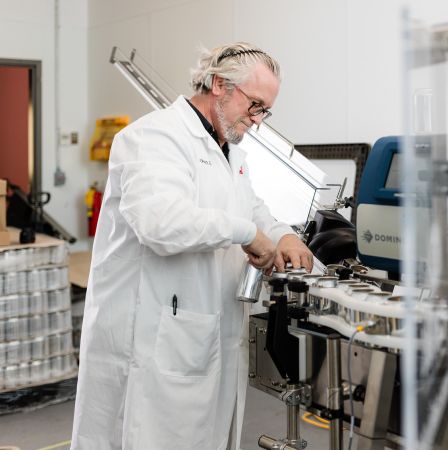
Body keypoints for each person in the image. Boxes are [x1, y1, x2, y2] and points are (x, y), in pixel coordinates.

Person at [71, 43, 314, 450]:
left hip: (205, 339)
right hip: (153, 345)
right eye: (254, 106)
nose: (257, 120)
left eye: (264, 111)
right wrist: (247, 234)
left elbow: (252, 208)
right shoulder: (152, 138)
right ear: (219, 84)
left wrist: (283, 233)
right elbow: (160, 222)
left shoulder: (231, 153)